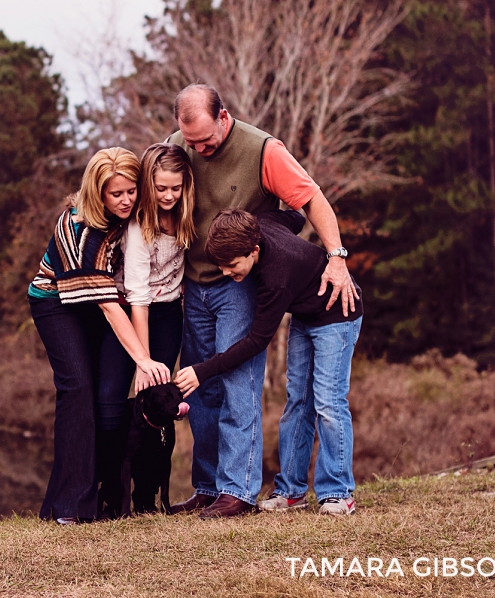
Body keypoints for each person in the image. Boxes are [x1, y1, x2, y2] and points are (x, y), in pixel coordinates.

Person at [167, 84, 359, 519]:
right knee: (202, 390)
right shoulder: (178, 146)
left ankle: (239, 490)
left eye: (205, 140)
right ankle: (209, 486)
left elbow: (308, 201)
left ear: (223, 117)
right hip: (192, 284)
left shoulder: (262, 150)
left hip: (239, 283)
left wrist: (336, 257)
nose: (198, 149)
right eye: (190, 141)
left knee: (239, 382)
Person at [175, 209, 363, 516]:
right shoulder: (260, 224)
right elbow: (295, 219)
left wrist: (201, 371)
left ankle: (338, 493)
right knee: (297, 401)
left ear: (254, 250)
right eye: (221, 266)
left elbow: (256, 342)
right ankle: (290, 492)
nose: (226, 273)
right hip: (307, 315)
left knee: (328, 403)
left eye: (232, 266)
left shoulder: (276, 277)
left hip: (338, 314)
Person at [28, 147, 170, 525]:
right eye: (116, 194)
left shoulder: (125, 216)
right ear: (98, 194)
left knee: (94, 398)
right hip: (55, 304)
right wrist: (143, 358)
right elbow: (109, 307)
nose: (126, 200)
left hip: (91, 304)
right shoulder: (83, 233)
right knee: (77, 390)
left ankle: (61, 506)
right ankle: (71, 508)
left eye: (131, 191)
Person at [122, 143, 197, 393]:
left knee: (160, 389)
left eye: (176, 188)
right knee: (131, 386)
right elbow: (138, 298)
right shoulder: (139, 226)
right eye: (160, 188)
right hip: (135, 310)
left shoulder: (185, 215)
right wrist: (143, 361)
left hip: (170, 311)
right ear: (148, 186)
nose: (168, 195)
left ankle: (162, 433)